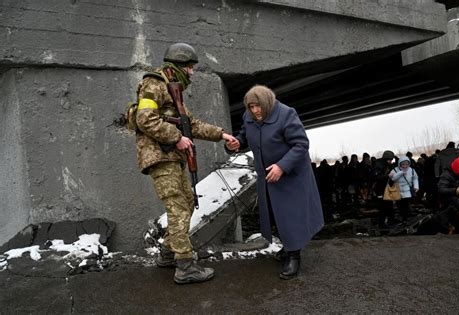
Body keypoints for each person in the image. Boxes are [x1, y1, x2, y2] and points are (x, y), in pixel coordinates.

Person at [133, 42, 238, 284]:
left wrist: (222, 134)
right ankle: (185, 266)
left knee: (188, 203)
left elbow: (193, 125)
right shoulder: (154, 84)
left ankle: (169, 253)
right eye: (190, 68)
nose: (192, 73)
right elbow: (144, 119)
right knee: (178, 207)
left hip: (172, 157)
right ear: (178, 66)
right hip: (160, 156)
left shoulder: (174, 92)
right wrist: (177, 138)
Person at [225, 85, 324, 280]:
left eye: (258, 106)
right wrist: (236, 143)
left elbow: (301, 144)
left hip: (291, 176)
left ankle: (294, 255)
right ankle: (288, 247)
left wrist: (281, 166)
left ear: (267, 103)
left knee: (290, 216)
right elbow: (245, 136)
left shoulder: (286, 114)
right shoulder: (249, 117)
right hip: (268, 177)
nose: (255, 111)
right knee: (276, 215)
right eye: (251, 107)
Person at [388, 156, 419, 222]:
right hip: (397, 190)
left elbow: (415, 178)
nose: (405, 166)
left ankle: (405, 217)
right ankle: (403, 217)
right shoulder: (395, 170)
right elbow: (393, 178)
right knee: (399, 205)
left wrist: (416, 186)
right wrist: (401, 173)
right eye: (403, 164)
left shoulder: (412, 170)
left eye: (406, 164)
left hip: (407, 191)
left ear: (409, 164)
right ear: (399, 164)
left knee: (406, 204)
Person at [371, 150, 395, 228]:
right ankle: (382, 225)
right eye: (390, 159)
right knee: (383, 207)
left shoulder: (386, 164)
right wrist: (388, 175)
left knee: (389, 206)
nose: (391, 161)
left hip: (385, 188)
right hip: (380, 189)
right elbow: (377, 177)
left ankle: (389, 222)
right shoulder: (379, 165)